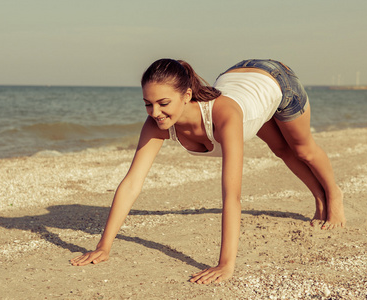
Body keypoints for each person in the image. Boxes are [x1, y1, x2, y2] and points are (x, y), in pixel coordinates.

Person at [70, 58, 346, 284]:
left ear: (187, 95)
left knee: (300, 149)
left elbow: (232, 195)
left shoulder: (224, 116)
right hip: (241, 81)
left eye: (163, 103)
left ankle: (333, 195)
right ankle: (319, 200)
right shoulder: (156, 123)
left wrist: (226, 263)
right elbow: (132, 183)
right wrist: (103, 246)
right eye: (147, 103)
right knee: (281, 150)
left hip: (275, 81)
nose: (154, 113)